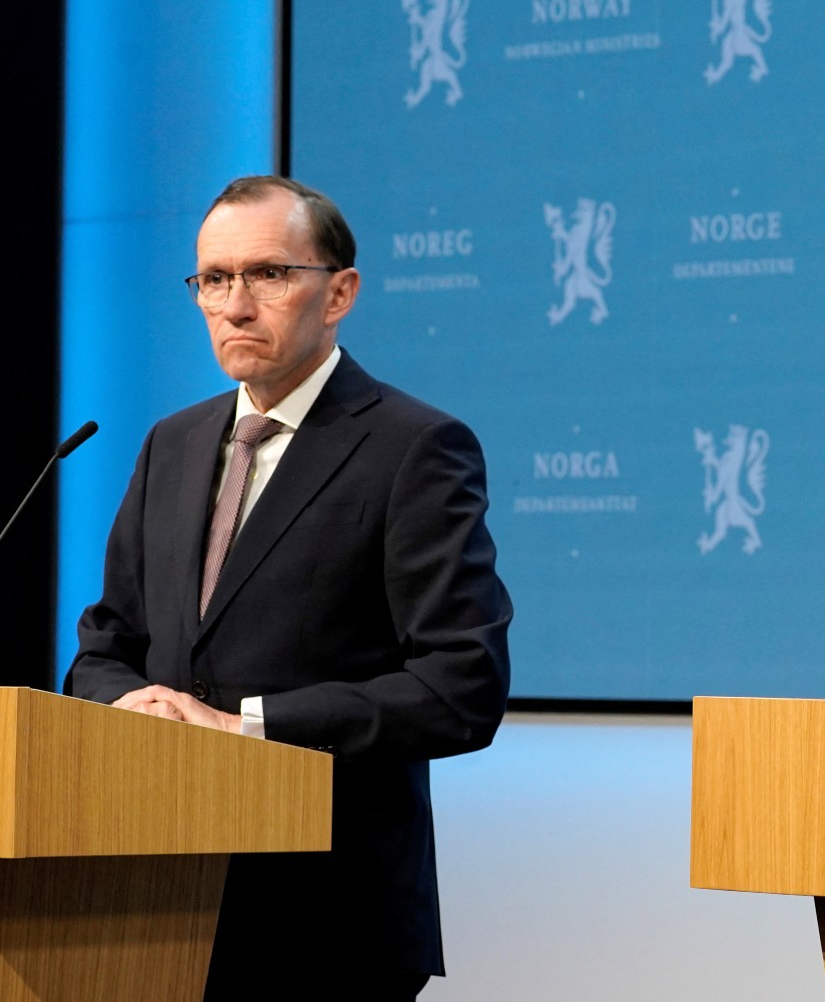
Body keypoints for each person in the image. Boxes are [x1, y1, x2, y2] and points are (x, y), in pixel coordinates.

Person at [68, 175, 512, 1001]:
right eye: (214, 279)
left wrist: (245, 730)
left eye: (267, 274)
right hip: (147, 900)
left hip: (328, 919)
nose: (235, 306)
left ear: (339, 292)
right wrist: (132, 706)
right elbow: (105, 648)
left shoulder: (415, 448)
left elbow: (462, 686)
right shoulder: (173, 442)